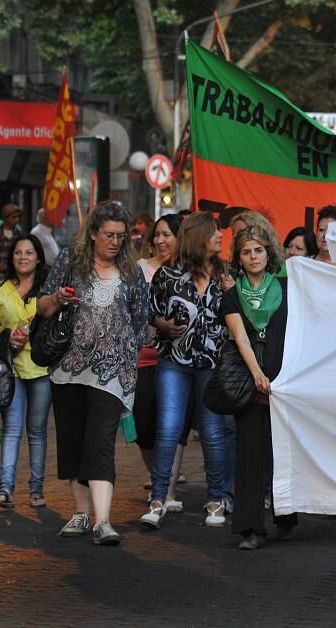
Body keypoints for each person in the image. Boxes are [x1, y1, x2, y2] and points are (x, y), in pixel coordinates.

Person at [37, 201, 150, 545]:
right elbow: (42, 306)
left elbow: (140, 320)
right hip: (69, 368)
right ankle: (81, 513)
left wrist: (125, 353)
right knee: (72, 439)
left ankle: (103, 522)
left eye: (121, 235)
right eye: (109, 235)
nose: (115, 242)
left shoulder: (132, 271)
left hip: (112, 373)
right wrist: (58, 298)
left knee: (100, 441)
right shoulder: (69, 262)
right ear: (94, 235)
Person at [142, 212, 233, 530]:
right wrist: (164, 325)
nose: (220, 236)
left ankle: (217, 499)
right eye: (214, 232)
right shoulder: (168, 274)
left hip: (213, 364)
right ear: (199, 238)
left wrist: (233, 292)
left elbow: (240, 315)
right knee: (168, 428)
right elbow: (149, 311)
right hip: (174, 362)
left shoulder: (226, 272)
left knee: (212, 432)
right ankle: (157, 499)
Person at [223, 225, 298, 550]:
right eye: (246, 252)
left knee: (283, 452)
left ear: (269, 253)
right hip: (250, 381)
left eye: (258, 250)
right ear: (238, 258)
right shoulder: (231, 295)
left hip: (287, 381)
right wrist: (257, 374)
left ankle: (286, 516)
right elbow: (240, 338)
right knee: (250, 453)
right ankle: (250, 527)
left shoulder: (288, 286)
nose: (253, 257)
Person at [131, 214, 188, 515]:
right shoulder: (140, 270)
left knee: (173, 425)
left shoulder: (188, 271)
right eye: (158, 234)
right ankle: (158, 479)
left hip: (176, 358)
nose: (161, 240)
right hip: (141, 359)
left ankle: (167, 490)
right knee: (143, 427)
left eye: (167, 234)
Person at [0, 236, 50, 510]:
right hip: (10, 371)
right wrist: (6, 336)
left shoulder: (48, 291)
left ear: (38, 257)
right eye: (18, 253)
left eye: (29, 252)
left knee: (37, 431)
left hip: (42, 369)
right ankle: (5, 489)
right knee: (13, 430)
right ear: (11, 258)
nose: (23, 257)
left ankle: (36, 491)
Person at [0, 202, 23, 285]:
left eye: (18, 217)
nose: (17, 220)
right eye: (14, 217)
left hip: (13, 278)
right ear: (5, 218)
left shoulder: (18, 233)